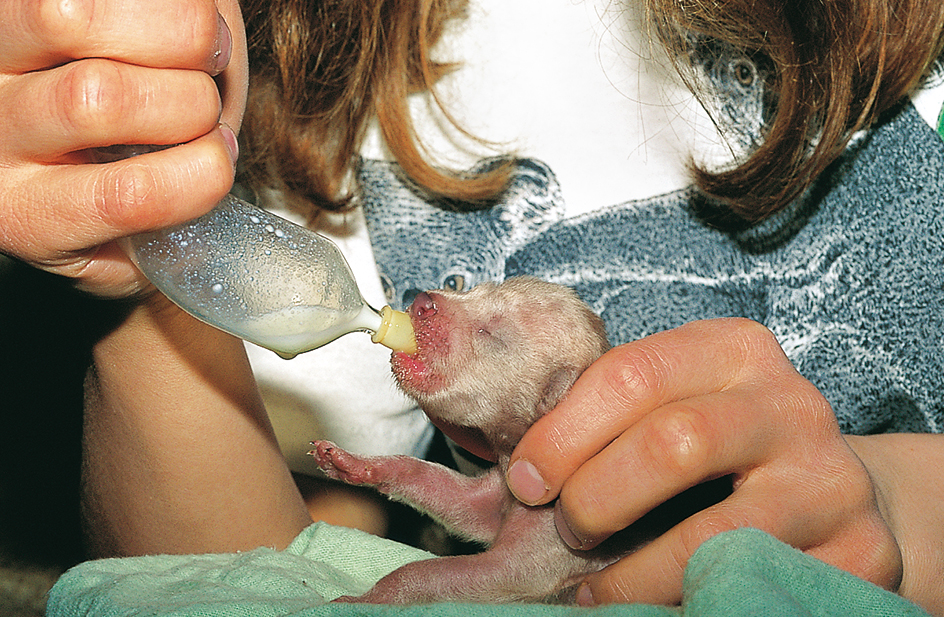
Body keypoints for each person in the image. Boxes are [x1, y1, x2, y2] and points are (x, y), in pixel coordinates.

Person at [2, 0, 943, 613]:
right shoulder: (303, 45)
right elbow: (244, 574)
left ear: (570, 393)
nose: (432, 308)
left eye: (484, 324)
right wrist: (139, 226)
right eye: (459, 290)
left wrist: (900, 502)